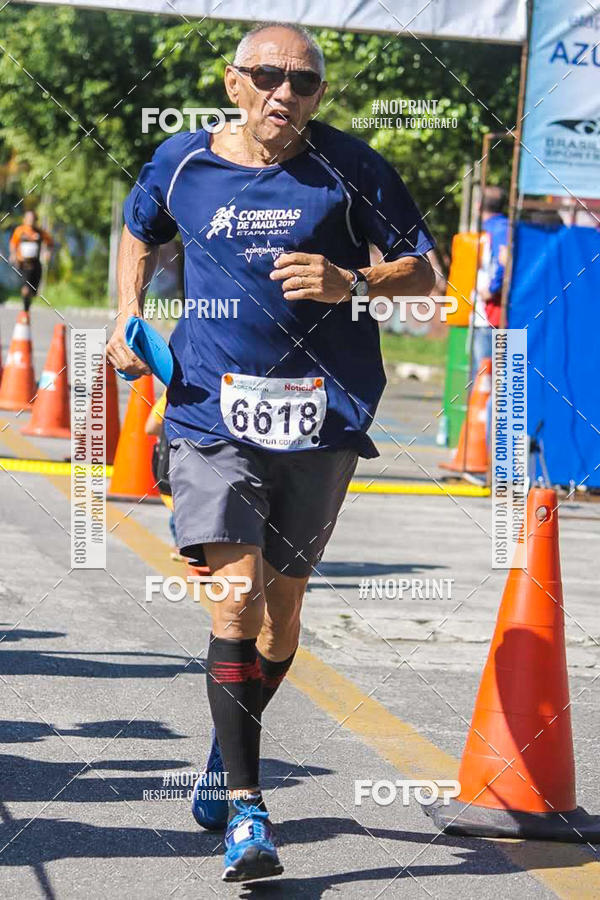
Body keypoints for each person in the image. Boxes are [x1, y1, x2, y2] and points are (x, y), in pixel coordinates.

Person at [107, 22, 434, 883]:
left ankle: (229, 743)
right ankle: (249, 811)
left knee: (282, 612)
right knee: (236, 601)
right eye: (267, 76)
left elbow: (425, 270)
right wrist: (128, 312)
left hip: (320, 418)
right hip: (209, 413)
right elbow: (140, 229)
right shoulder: (183, 161)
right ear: (233, 82)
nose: (285, 93)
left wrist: (353, 281)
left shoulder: (351, 167)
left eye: (304, 82)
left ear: (319, 95)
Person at [471, 186, 509, 377]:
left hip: (490, 312)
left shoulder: (496, 230)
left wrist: (492, 289)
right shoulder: (506, 227)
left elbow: (504, 260)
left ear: (478, 205)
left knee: (484, 374)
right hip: (494, 311)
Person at [9, 210, 53, 311]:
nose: (30, 221)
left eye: (32, 219)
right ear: (24, 219)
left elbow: (50, 243)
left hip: (36, 265)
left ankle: (26, 308)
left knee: (33, 292)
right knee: (25, 290)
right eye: (28, 218)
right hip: (23, 264)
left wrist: (48, 252)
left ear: (35, 220)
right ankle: (25, 312)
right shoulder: (20, 231)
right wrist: (13, 254)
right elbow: (13, 243)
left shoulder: (39, 232)